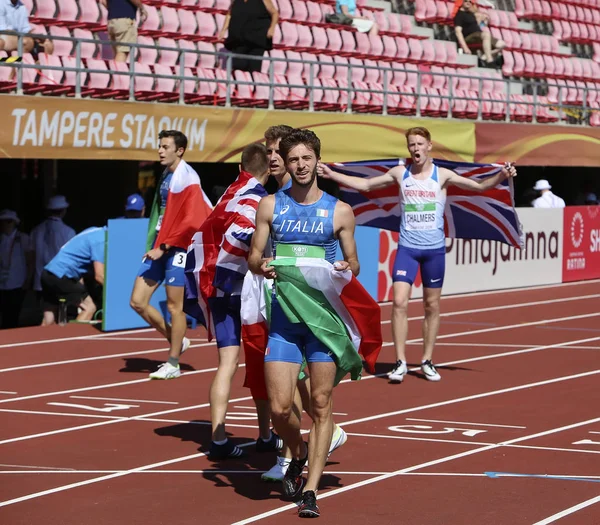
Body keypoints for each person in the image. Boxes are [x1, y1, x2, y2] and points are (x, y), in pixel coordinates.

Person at [319, 126, 517, 383]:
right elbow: (367, 184)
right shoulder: (401, 173)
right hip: (408, 249)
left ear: (429, 146)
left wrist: (501, 175)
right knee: (399, 302)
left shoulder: (442, 175)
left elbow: (478, 187)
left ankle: (427, 361)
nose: (415, 149)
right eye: (411, 144)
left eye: (420, 144)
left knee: (431, 306)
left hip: (434, 251)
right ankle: (400, 361)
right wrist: (333, 174)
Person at [248, 128, 359, 518]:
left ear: (317, 160)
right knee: (279, 408)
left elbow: (354, 261)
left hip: (323, 322)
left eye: (306, 158)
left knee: (322, 403)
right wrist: (261, 266)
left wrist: (346, 266)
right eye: (293, 159)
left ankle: (310, 488)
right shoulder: (270, 206)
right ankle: (295, 453)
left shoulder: (339, 210)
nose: (299, 165)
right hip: (284, 318)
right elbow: (254, 257)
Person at [185, 143, 277, 459]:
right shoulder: (255, 199)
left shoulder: (231, 191)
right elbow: (242, 234)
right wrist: (263, 256)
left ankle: (219, 438)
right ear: (268, 167)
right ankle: (265, 435)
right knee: (258, 362)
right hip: (241, 291)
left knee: (227, 365)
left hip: (216, 285)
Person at [130, 130, 212, 380]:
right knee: (137, 301)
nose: (160, 150)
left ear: (180, 150)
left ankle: (173, 362)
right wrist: (156, 242)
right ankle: (176, 338)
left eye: (165, 147)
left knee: (176, 307)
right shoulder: (166, 174)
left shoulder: (188, 177)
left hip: (179, 248)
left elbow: (190, 221)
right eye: (160, 146)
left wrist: (163, 247)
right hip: (162, 245)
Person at [41, 226, 106, 325]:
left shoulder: (94, 230)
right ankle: (71, 339)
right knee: (89, 308)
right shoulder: (102, 240)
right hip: (62, 276)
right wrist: (118, 293)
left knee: (49, 319)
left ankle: (39, 339)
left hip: (48, 273)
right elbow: (99, 275)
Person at [30, 195, 76, 305]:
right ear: (64, 211)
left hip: (39, 279)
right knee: (59, 313)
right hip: (59, 279)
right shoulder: (68, 232)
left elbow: (31, 256)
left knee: (43, 312)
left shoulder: (36, 230)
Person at [218, 0, 278, 73]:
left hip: (257, 40)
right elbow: (229, 14)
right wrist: (223, 30)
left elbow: (275, 13)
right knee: (238, 68)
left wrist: (272, 28)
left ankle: (253, 83)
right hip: (239, 40)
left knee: (254, 69)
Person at [0, 209, 32, 329]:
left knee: (14, 313)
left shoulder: (23, 238)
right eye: (3, 222)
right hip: (1, 282)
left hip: (17, 281)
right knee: (3, 313)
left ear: (14, 223)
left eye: (9, 221)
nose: (6, 224)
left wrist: (28, 279)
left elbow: (31, 260)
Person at [454, 0, 504, 65]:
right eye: (466, 1)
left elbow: (475, 26)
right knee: (486, 34)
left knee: (502, 44)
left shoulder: (470, 13)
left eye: (470, 1)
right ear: (461, 2)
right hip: (469, 37)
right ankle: (489, 60)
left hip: (478, 35)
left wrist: (482, 19)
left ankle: (483, 58)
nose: (468, 2)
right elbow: (458, 32)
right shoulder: (459, 15)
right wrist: (465, 48)